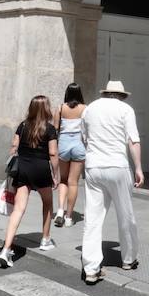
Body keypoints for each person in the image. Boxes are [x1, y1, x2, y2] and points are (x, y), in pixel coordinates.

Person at [79, 79, 142, 284]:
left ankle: (91, 267)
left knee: (93, 218)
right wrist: (139, 168)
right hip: (117, 165)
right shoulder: (125, 109)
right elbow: (132, 141)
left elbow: (84, 138)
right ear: (122, 95)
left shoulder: (90, 109)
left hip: (94, 165)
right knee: (126, 214)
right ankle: (128, 258)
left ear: (105, 93)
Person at [0, 94, 60, 268]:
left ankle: (6, 249)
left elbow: (13, 147)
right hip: (41, 170)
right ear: (46, 109)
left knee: (18, 209)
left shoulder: (22, 126)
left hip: (23, 169)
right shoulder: (50, 129)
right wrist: (56, 174)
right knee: (47, 204)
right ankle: (45, 239)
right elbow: (53, 153)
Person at [53, 82, 87, 227]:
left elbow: (55, 128)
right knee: (74, 182)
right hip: (79, 144)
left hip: (64, 144)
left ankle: (60, 210)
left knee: (63, 180)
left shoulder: (60, 108)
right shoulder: (85, 109)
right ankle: (68, 217)